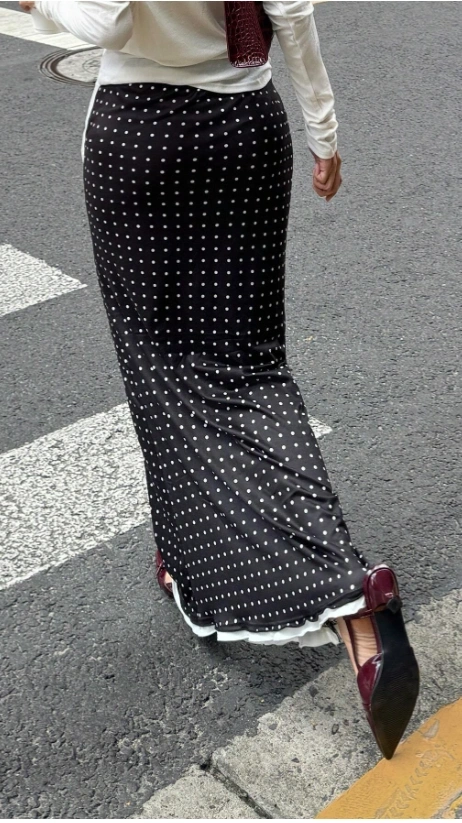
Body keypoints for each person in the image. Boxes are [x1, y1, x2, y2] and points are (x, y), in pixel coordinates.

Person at [20, 0, 419, 760]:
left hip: (142, 136)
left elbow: (103, 21)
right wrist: (324, 132)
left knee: (162, 368)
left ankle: (333, 584)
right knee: (250, 365)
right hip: (245, 132)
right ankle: (345, 617)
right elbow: (290, 9)